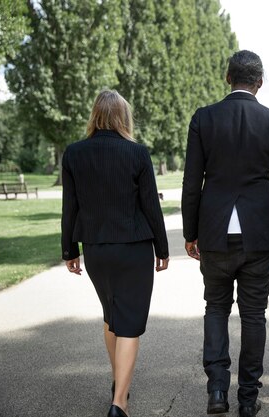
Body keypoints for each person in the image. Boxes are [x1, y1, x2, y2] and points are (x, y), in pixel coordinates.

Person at [181, 50, 269, 417]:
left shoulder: (203, 118)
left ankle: (218, 388)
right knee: (253, 316)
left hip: (215, 231)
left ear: (227, 78)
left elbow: (191, 183)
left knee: (216, 308)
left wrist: (191, 233)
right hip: (258, 233)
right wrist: (261, 196)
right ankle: (248, 399)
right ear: (259, 83)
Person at [61, 89, 170, 417]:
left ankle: (118, 383)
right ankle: (118, 402)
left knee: (112, 316)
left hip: (96, 249)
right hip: (134, 249)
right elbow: (151, 205)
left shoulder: (74, 153)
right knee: (130, 322)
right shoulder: (137, 153)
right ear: (124, 117)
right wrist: (162, 250)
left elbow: (71, 208)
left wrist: (69, 250)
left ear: (94, 115)